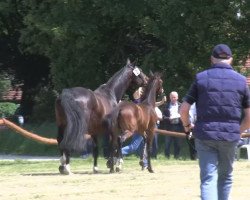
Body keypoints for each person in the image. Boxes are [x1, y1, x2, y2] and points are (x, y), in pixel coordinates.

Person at [179, 44, 250, 200]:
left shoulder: (201, 78)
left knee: (208, 179)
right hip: (230, 137)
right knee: (225, 177)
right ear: (231, 59)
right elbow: (249, 116)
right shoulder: (241, 81)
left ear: (212, 59)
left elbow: (183, 110)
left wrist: (186, 126)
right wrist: (238, 131)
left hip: (205, 135)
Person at [162, 91, 183, 159]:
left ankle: (176, 157)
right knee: (167, 144)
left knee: (178, 144)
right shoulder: (166, 105)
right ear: (170, 98)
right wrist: (168, 118)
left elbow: (185, 115)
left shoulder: (181, 105)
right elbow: (163, 116)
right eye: (171, 97)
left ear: (177, 97)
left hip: (178, 126)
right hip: (169, 127)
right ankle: (166, 157)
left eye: (174, 97)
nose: (173, 98)